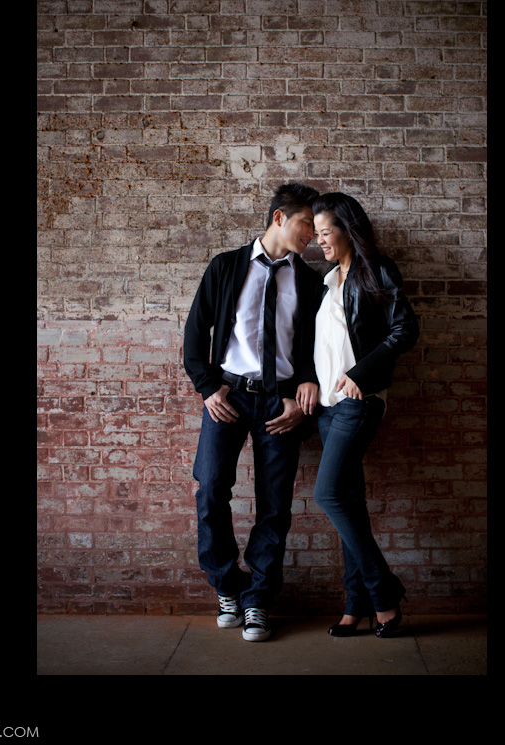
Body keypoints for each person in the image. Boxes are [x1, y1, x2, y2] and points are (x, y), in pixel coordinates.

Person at [183, 183, 324, 642]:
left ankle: (259, 599)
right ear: (279, 218)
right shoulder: (226, 266)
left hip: (279, 403)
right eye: (307, 223)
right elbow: (193, 336)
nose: (314, 235)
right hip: (228, 396)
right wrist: (208, 388)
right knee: (210, 488)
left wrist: (303, 386)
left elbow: (314, 350)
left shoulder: (308, 281)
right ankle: (229, 587)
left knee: (275, 504)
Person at [300, 191, 420, 638]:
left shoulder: (377, 270)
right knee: (349, 502)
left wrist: (361, 374)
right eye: (315, 234)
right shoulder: (331, 280)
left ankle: (384, 594)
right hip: (329, 409)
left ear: (348, 230)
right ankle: (356, 605)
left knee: (329, 495)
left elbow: (405, 328)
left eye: (325, 232)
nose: (319, 242)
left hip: (359, 402)